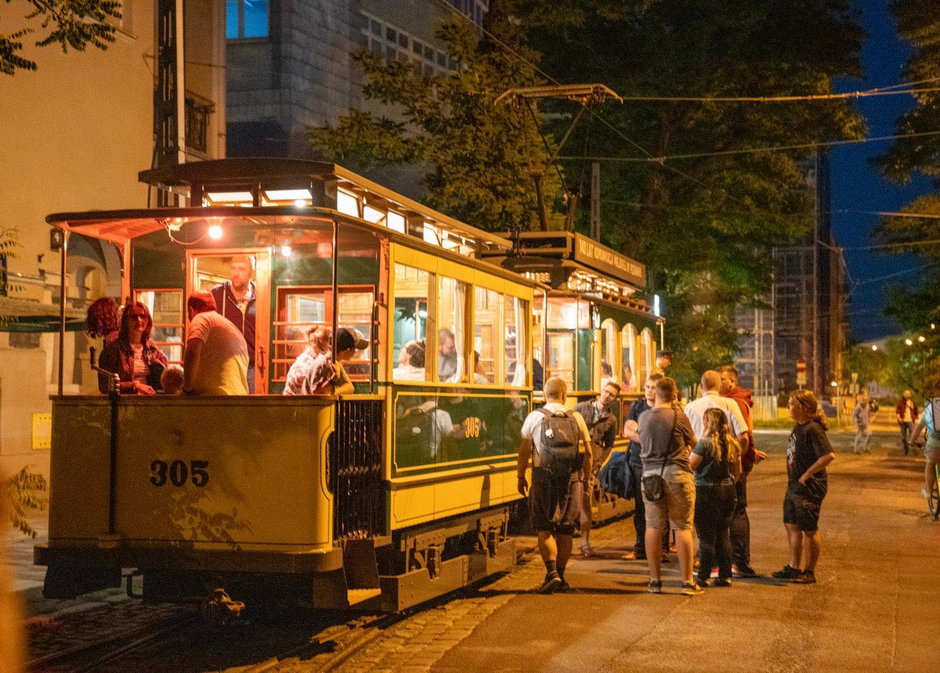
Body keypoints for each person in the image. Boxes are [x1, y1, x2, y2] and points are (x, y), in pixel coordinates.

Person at [516, 377, 593, 593]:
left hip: (543, 477)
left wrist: (520, 476)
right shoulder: (576, 417)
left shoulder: (534, 417)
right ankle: (562, 575)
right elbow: (588, 453)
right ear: (564, 395)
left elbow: (524, 451)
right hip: (572, 479)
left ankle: (551, 574)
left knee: (544, 526)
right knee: (566, 529)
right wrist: (586, 480)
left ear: (544, 395)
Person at [637, 376, 703, 595]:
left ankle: (655, 581)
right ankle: (686, 582)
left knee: (653, 526)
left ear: (655, 393)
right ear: (674, 395)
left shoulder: (644, 417)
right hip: (677, 474)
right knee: (682, 526)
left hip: (650, 477)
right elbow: (695, 443)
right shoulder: (679, 416)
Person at [772, 390, 836, 585]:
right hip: (794, 485)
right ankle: (794, 567)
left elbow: (828, 456)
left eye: (792, 404)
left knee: (808, 529)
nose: (788, 408)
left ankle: (809, 571)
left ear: (805, 408)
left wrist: (807, 474)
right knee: (792, 525)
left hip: (809, 487)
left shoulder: (813, 429)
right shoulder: (798, 427)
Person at [718, 365, 766, 577]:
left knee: (735, 510)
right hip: (735, 461)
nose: (719, 383)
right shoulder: (736, 400)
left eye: (722, 379)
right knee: (732, 510)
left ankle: (738, 560)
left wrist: (739, 458)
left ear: (732, 382)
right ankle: (734, 560)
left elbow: (744, 435)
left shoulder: (736, 402)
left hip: (732, 463)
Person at [689, 408, 741, 588]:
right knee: (722, 533)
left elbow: (691, 465)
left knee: (706, 536)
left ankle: (703, 575)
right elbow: (738, 473)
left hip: (705, 491)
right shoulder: (732, 443)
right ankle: (725, 575)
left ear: (707, 422)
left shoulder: (704, 444)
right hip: (727, 491)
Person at [622, 373, 668, 562]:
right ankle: (640, 548)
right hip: (637, 462)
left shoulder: (664, 409)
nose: (649, 390)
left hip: (657, 464)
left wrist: (640, 432)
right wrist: (649, 439)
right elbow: (627, 431)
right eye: (647, 386)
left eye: (653, 387)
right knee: (640, 508)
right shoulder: (638, 407)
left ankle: (662, 549)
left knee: (659, 506)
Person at [574, 380, 621, 557]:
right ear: (601, 391)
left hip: (591, 463)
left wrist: (600, 461)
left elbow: (609, 444)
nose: (607, 396)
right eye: (606, 392)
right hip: (574, 459)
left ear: (614, 399)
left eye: (611, 395)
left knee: (586, 501)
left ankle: (585, 542)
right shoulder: (581, 408)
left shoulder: (611, 419)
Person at [182, 292, 249, 395]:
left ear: (191, 311)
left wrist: (187, 387)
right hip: (239, 398)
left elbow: (192, 350)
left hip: (214, 398)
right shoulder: (234, 330)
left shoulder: (201, 318)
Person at [97, 301, 168, 395]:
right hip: (125, 405)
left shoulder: (152, 349)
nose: (139, 320)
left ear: (148, 321)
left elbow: (164, 381)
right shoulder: (113, 350)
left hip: (150, 403)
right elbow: (105, 385)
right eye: (134, 317)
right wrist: (134, 386)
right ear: (126, 321)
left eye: (142, 316)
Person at [211, 255, 257, 392]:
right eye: (233, 268)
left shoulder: (262, 295)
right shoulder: (217, 294)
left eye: (241, 269)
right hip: (225, 363)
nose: (236, 273)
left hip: (252, 365)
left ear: (252, 272)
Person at [283, 326, 334, 395]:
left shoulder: (310, 358)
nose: (329, 353)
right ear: (316, 348)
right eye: (326, 350)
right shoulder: (305, 366)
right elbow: (314, 392)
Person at [910, 394, 940, 505]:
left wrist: (911, 442)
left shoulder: (929, 410)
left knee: (930, 464)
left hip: (934, 445)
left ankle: (929, 492)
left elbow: (918, 428)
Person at [332, 327, 369, 395]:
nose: (356, 351)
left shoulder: (338, 362)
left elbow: (350, 387)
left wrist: (333, 393)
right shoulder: (326, 363)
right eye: (354, 348)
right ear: (348, 350)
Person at [896, 390, 918, 455]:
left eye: (908, 394)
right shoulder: (900, 402)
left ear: (910, 395)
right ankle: (905, 449)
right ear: (904, 394)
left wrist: (916, 418)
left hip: (911, 421)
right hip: (902, 421)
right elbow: (897, 411)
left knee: (913, 435)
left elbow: (915, 410)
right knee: (903, 437)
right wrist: (899, 418)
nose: (907, 395)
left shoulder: (912, 402)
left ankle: (913, 449)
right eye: (906, 394)